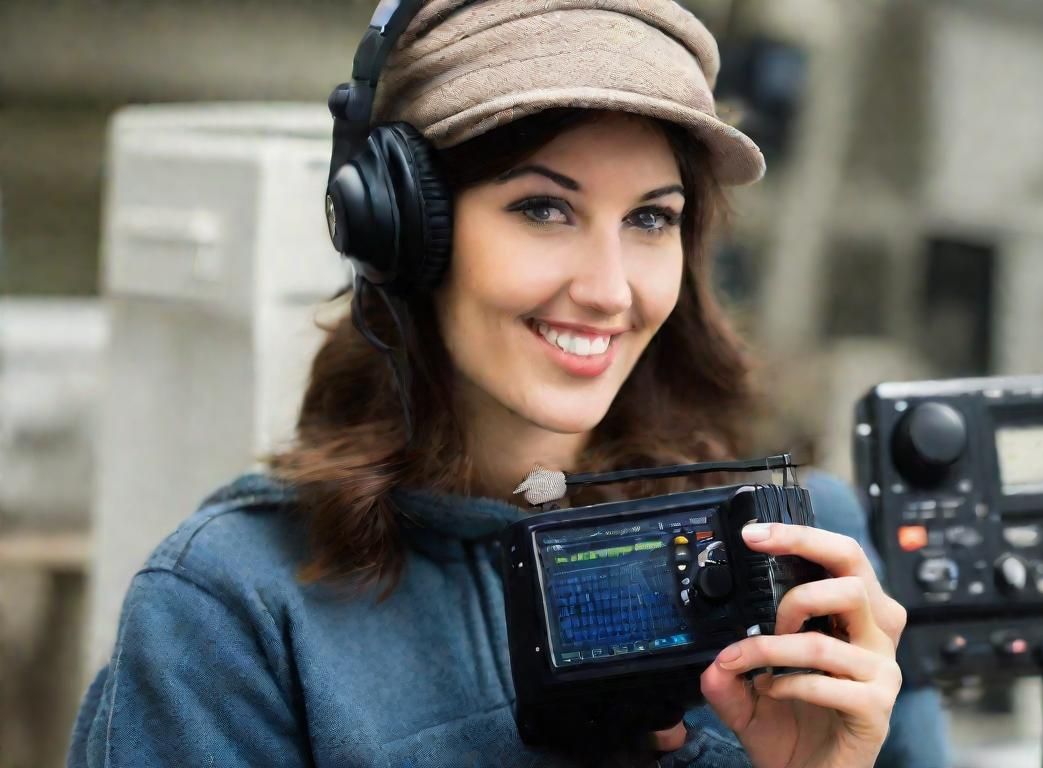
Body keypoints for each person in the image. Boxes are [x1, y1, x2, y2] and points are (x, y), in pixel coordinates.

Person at [68, 1, 949, 766]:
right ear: (405, 231)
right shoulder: (233, 613)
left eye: (651, 218)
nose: (609, 288)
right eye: (543, 208)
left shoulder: (806, 554)